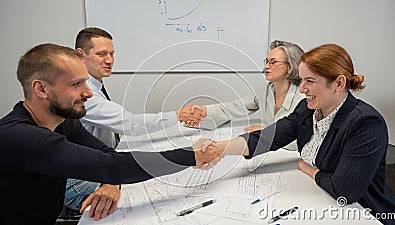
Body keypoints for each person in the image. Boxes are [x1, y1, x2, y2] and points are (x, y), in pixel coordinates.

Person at [0, 43, 220, 225]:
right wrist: (193, 155)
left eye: (85, 82)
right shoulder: (21, 137)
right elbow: (112, 167)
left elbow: (107, 156)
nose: (87, 92)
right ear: (41, 89)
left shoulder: (63, 122)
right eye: (77, 84)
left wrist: (110, 183)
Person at [204, 44, 395, 225]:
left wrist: (308, 169)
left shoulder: (365, 123)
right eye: (302, 80)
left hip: (367, 213)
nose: (303, 88)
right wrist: (219, 148)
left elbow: (344, 191)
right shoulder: (308, 110)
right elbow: (269, 137)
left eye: (310, 81)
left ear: (339, 83)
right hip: (322, 201)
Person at [64, 27, 205, 215]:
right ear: (81, 55)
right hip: (80, 180)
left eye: (112, 54)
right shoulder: (84, 94)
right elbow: (129, 124)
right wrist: (178, 115)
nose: (109, 60)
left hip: (99, 164)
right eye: (102, 54)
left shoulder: (94, 87)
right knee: (148, 191)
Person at [188, 40, 304, 151]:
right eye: (267, 62)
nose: (266, 67)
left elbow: (306, 140)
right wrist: (202, 111)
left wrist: (267, 133)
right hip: (271, 152)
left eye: (273, 62)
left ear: (290, 67)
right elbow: (234, 107)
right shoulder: (267, 91)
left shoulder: (303, 98)